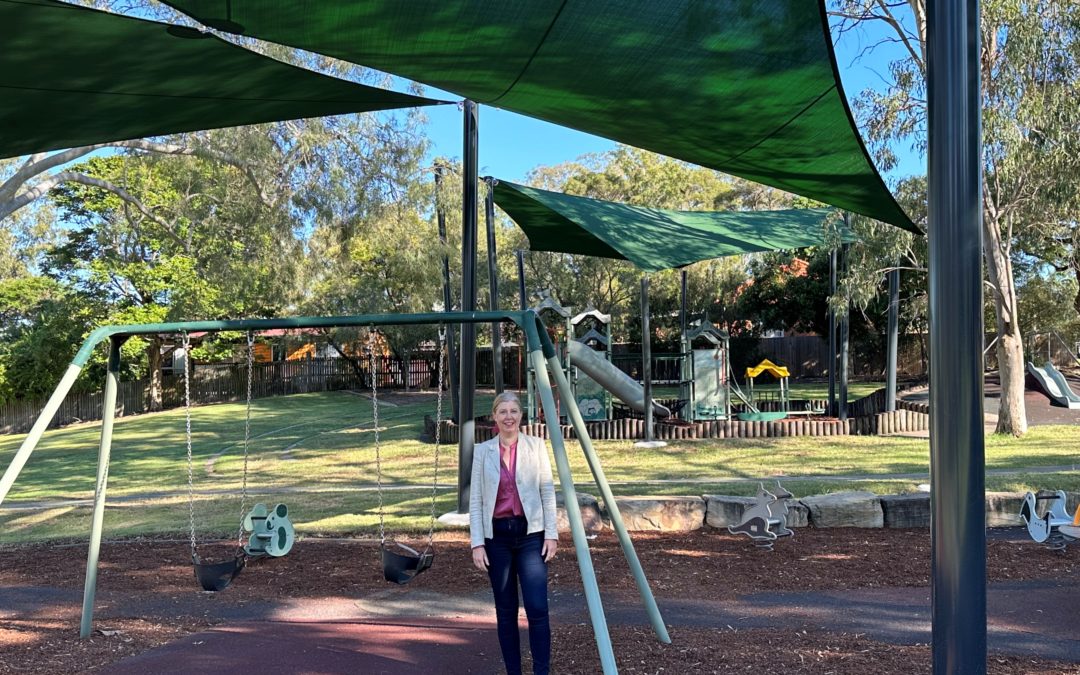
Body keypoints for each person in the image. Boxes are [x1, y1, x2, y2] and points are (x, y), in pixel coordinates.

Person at [470, 390, 558, 675]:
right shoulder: (483, 452)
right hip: (497, 538)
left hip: (531, 534)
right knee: (506, 612)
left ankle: (542, 671)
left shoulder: (536, 446)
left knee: (536, 607)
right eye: (503, 412)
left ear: (521, 415)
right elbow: (476, 501)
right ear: (494, 416)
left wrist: (551, 534)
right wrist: (477, 543)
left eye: (513, 411)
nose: (509, 417)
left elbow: (547, 490)